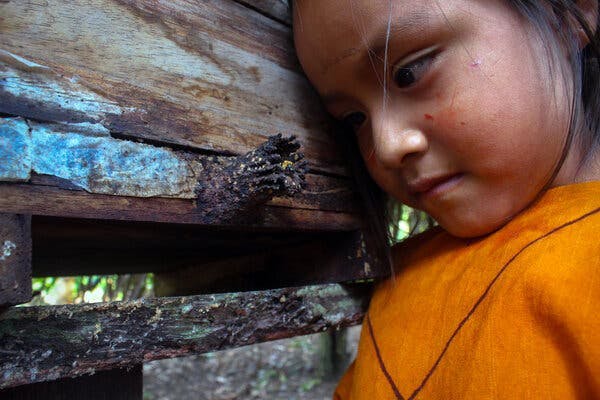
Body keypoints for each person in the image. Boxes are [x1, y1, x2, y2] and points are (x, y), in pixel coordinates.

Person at [292, 1, 600, 398]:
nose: (386, 147)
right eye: (355, 118)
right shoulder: (405, 279)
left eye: (409, 72)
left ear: (565, 12)